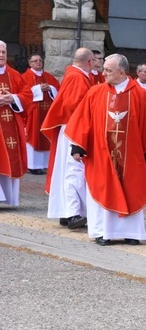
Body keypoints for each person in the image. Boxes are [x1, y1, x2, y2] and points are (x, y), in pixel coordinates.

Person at [66, 54, 146, 246]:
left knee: (131, 189)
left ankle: (131, 233)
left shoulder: (139, 94)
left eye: (108, 70)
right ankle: (103, 232)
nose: (103, 73)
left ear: (122, 72)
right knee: (104, 187)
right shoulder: (96, 92)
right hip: (100, 153)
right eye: (104, 69)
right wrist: (78, 146)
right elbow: (82, 119)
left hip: (131, 154)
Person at [41, 48, 95, 228]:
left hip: (72, 128)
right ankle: (73, 213)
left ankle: (66, 212)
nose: (95, 64)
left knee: (70, 171)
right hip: (75, 129)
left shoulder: (74, 75)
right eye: (94, 61)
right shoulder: (77, 78)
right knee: (75, 171)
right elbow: (75, 106)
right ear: (89, 62)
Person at [0, 41, 32, 207]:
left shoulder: (14, 75)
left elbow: (27, 96)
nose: (1, 55)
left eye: (4, 52)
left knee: (9, 157)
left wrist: (13, 98)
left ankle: (9, 198)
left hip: (10, 123)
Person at [22, 54, 60, 175]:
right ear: (30, 63)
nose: (38, 62)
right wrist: (38, 89)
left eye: (40, 60)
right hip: (33, 114)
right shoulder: (24, 77)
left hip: (47, 113)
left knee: (46, 136)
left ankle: (45, 165)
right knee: (34, 136)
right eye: (35, 61)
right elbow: (23, 93)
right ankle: (33, 165)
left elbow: (59, 91)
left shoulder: (49, 77)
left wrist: (51, 89)